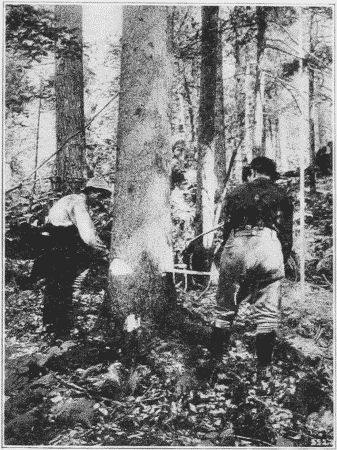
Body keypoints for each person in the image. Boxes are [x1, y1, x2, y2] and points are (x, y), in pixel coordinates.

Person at [210, 156, 293, 367]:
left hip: (237, 242)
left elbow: (227, 227)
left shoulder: (236, 192)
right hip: (269, 245)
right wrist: (280, 258)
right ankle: (263, 370)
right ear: (271, 174)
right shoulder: (281, 194)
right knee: (267, 313)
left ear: (253, 172)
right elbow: (286, 232)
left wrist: (226, 255)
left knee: (225, 308)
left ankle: (213, 364)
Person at [33, 177, 112, 336]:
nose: (100, 200)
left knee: (54, 286)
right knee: (63, 286)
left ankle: (49, 325)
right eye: (99, 195)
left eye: (103, 196)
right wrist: (104, 252)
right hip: (62, 247)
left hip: (54, 245)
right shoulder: (77, 203)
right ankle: (62, 328)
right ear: (90, 192)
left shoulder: (69, 199)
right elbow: (88, 234)